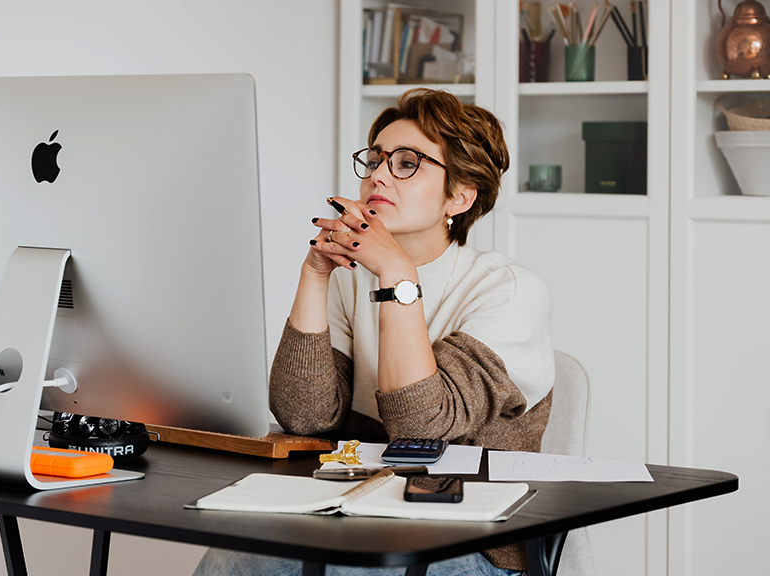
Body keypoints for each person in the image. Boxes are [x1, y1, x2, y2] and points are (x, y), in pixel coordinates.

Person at [193, 89, 554, 576]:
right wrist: (315, 273)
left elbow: (420, 431)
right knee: (235, 554)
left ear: (460, 196)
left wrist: (398, 275)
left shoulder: (510, 291)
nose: (378, 175)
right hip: (353, 511)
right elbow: (305, 415)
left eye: (407, 163)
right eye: (376, 160)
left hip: (470, 535)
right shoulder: (352, 278)